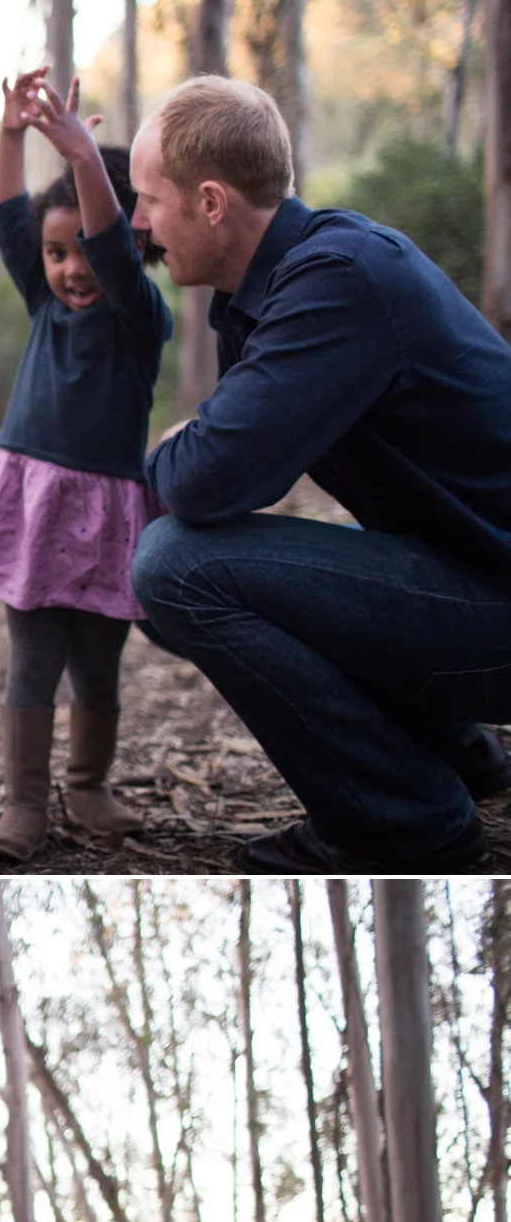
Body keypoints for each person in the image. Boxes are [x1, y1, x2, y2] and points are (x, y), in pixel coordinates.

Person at [127, 75, 511, 876]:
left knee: (177, 568)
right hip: (471, 577)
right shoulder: (273, 289)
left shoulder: (340, 280)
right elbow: (229, 479)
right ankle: (454, 760)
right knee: (171, 580)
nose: (139, 222)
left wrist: (175, 443)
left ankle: (410, 823)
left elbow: (200, 479)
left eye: (149, 199)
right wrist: (195, 446)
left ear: (209, 202)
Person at [0, 66, 171, 864]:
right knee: (32, 659)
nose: (73, 268)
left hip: (109, 516)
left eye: (89, 252)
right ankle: (24, 805)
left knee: (100, 661)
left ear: (138, 246)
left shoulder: (142, 316)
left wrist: (83, 159)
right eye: (56, 253)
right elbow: (8, 215)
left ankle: (88, 783)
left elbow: (108, 242)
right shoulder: (43, 301)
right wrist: (9, 136)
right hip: (32, 506)